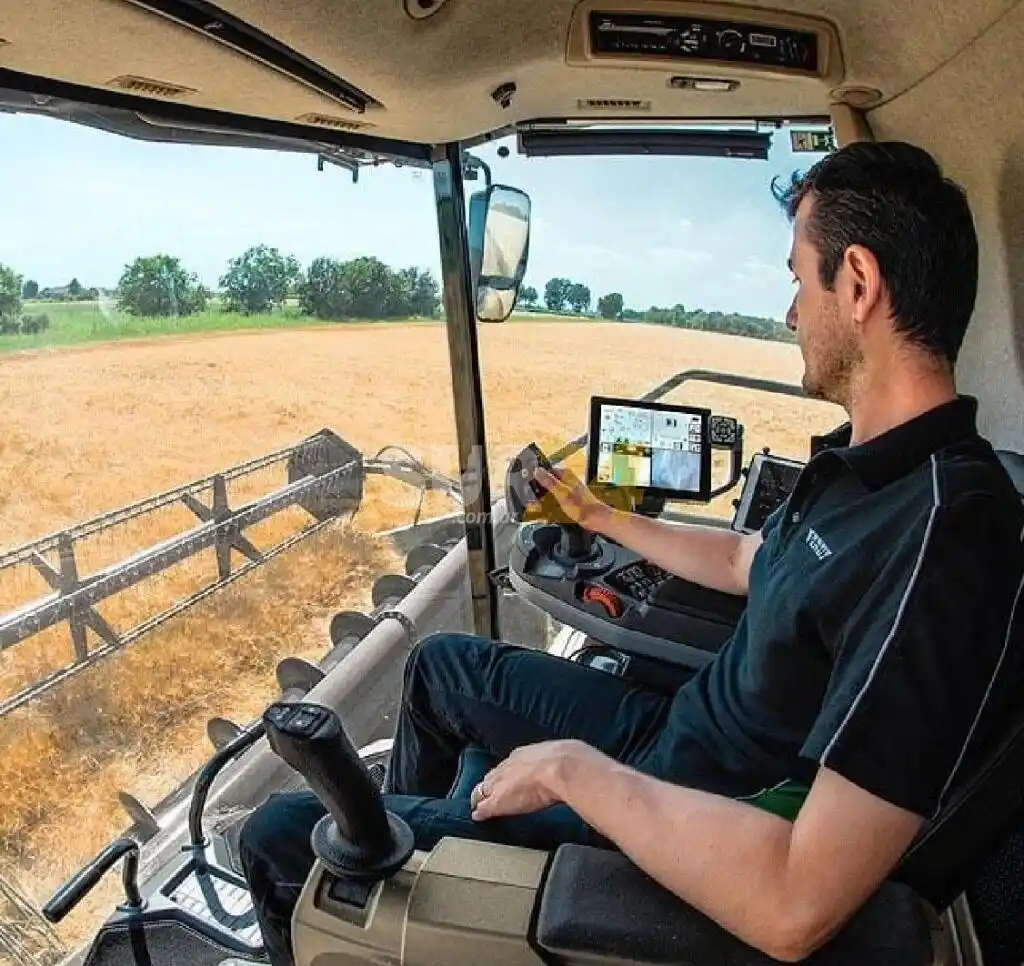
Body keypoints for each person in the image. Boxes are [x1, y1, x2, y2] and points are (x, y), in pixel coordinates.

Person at [240, 140, 1024, 965]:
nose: (792, 313)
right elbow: (739, 564)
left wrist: (583, 775)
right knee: (440, 670)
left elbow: (798, 901)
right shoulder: (865, 468)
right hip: (676, 727)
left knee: (287, 834)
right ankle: (427, 900)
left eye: (799, 277)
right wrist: (597, 513)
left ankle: (418, 872)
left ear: (858, 284)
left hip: (694, 810)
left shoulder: (948, 540)